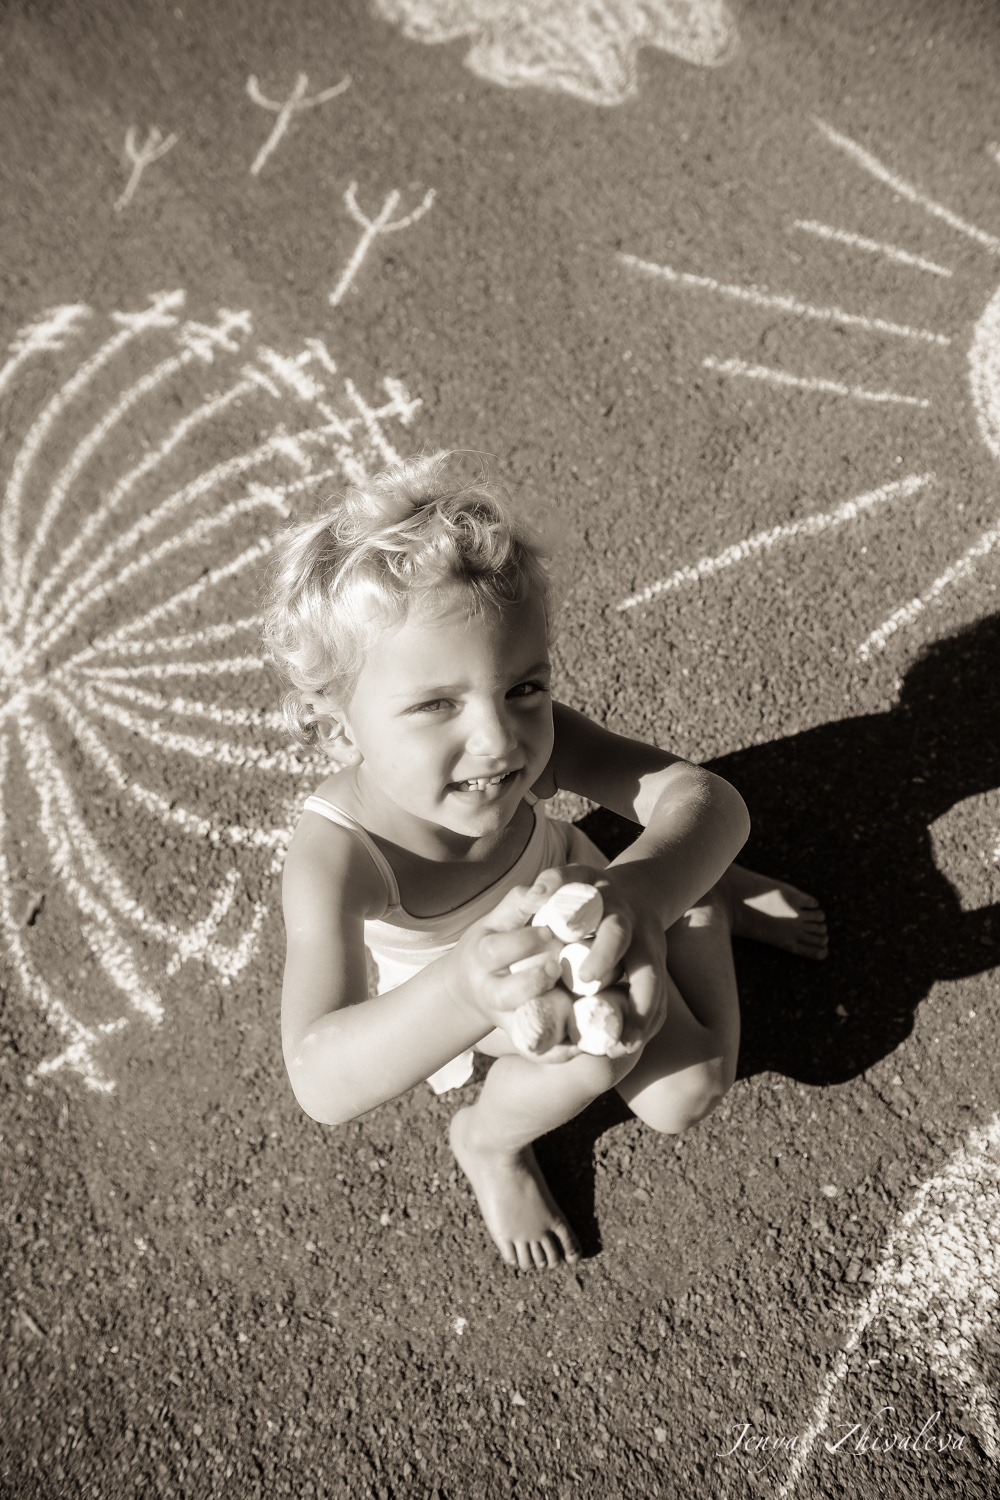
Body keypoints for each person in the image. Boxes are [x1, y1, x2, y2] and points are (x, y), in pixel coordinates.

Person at [264, 452, 827, 1271]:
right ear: (337, 726)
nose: (500, 740)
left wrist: (645, 889)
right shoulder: (335, 856)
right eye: (435, 705)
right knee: (642, 1077)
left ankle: (690, 894)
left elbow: (709, 802)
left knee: (684, 1087)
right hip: (487, 995)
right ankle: (487, 1140)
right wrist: (465, 987)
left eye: (523, 689)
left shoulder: (533, 741)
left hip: (599, 893)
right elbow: (319, 1077)